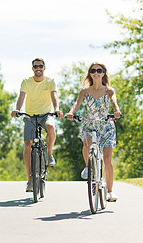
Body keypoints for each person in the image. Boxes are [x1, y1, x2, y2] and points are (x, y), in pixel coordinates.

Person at [66, 62, 122, 202]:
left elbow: (114, 102)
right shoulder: (85, 91)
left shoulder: (109, 90)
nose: (96, 72)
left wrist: (116, 111)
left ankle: (109, 192)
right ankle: (88, 167)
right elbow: (77, 103)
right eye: (93, 70)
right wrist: (71, 112)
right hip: (90, 124)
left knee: (107, 159)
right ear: (90, 73)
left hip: (106, 126)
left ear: (103, 73)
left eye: (99, 70)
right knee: (88, 142)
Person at [11, 58, 63, 193]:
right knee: (28, 145)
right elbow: (21, 97)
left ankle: (49, 154)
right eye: (35, 66)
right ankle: (30, 180)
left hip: (45, 114)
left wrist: (56, 108)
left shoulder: (50, 81)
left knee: (51, 127)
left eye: (40, 66)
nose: (38, 68)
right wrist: (17, 109)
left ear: (44, 67)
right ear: (32, 68)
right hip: (30, 116)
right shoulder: (26, 82)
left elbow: (54, 95)